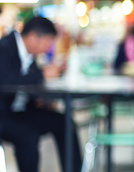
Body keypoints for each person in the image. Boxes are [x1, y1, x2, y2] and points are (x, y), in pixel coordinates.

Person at [0, 17, 82, 172]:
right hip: (4, 115)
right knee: (28, 136)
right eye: (48, 41)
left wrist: (40, 94)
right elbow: (5, 82)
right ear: (33, 37)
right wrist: (42, 75)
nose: (48, 46)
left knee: (65, 122)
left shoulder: (28, 54)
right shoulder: (4, 48)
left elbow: (26, 80)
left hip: (22, 111)